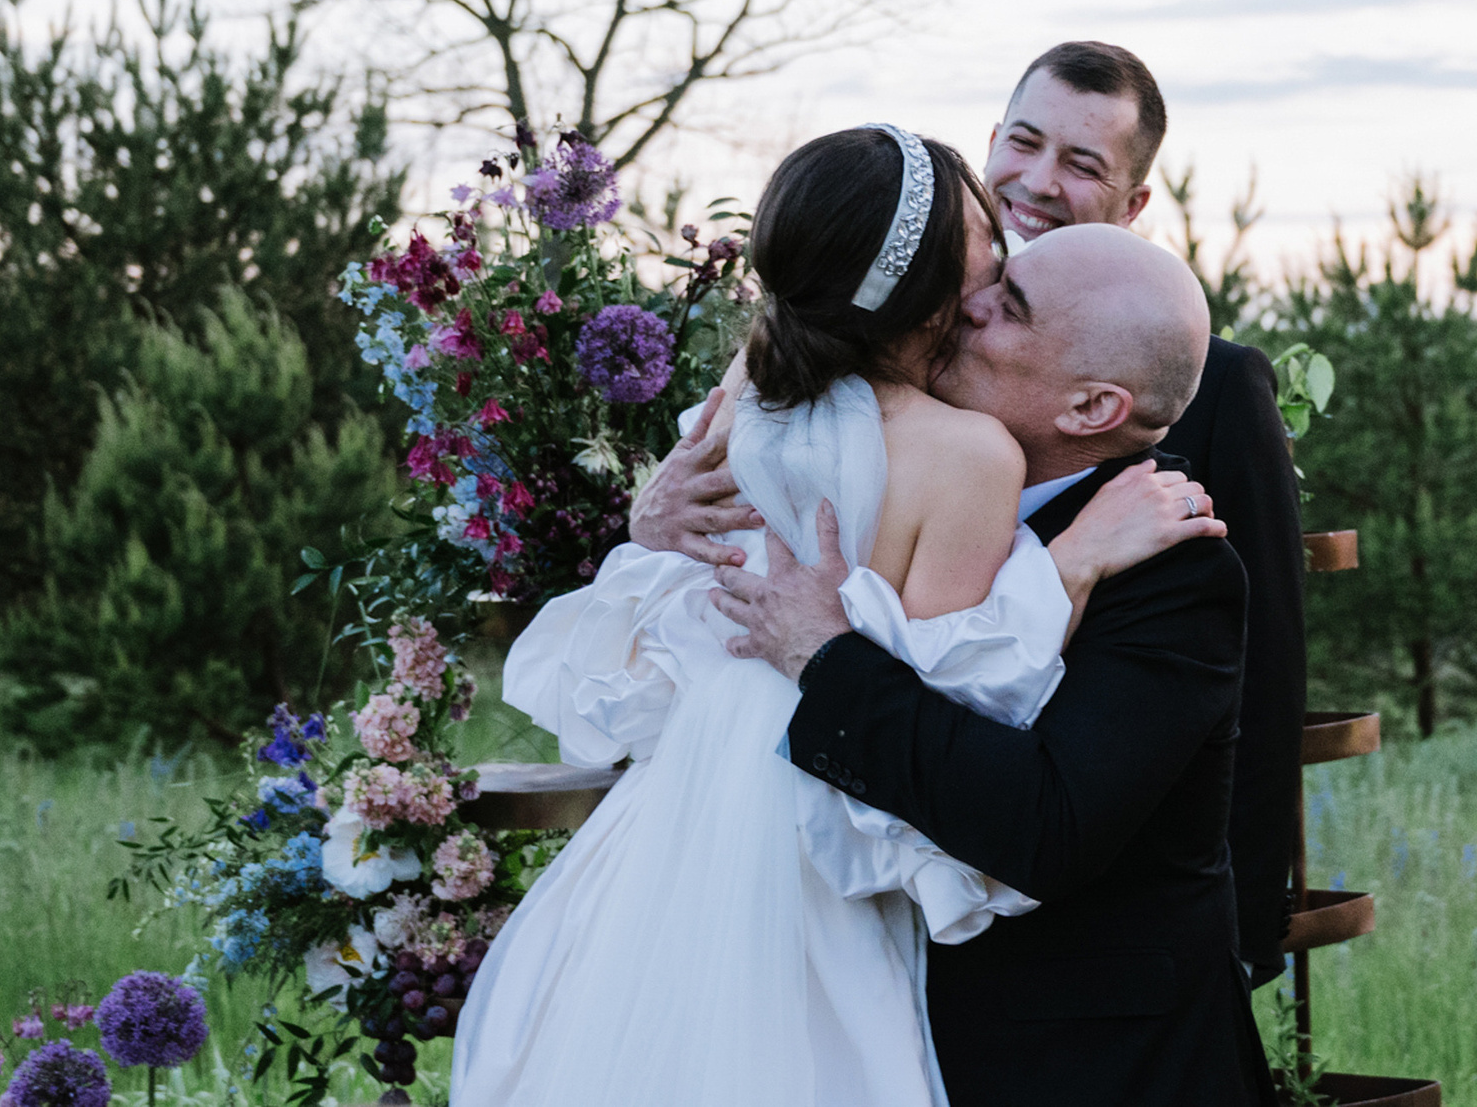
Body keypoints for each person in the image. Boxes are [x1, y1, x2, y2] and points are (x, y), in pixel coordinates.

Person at [449, 126, 1221, 1107]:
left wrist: (659, 538)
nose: (991, 283)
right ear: (928, 290)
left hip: (697, 781)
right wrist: (1062, 568)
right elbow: (962, 685)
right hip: (816, 809)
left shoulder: (755, 381)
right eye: (993, 257)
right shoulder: (968, 453)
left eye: (1010, 296)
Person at [640, 41, 1309, 984]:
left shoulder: (1210, 382)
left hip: (1068, 936)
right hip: (829, 837)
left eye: (1082, 164)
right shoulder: (878, 339)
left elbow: (1262, 661)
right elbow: (730, 497)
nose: (1037, 182)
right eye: (1024, 144)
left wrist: (1247, 931)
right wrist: (652, 513)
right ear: (992, 141)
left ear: (1133, 202)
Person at [712, 222, 1279, 1107]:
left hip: (1089, 1066)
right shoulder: (891, 472)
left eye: (1007, 307)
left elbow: (1041, 825)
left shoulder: (1172, 570)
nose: (965, 304)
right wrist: (656, 518)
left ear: (1092, 409)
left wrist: (825, 656)